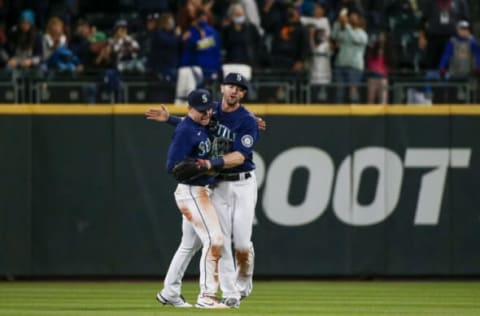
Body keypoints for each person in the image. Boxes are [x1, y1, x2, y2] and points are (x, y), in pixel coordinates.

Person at [146, 72, 261, 308]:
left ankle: (172, 291)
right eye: (231, 85)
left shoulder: (247, 119)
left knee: (239, 244)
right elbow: (191, 123)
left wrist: (209, 164)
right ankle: (227, 293)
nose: (234, 90)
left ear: (244, 93)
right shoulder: (212, 109)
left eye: (239, 88)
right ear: (222, 87)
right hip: (213, 185)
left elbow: (239, 156)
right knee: (218, 240)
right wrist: (170, 119)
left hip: (241, 182)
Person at [157, 88, 228, 309]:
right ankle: (207, 296)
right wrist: (195, 168)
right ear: (190, 109)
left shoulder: (196, 124)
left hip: (198, 191)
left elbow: (189, 124)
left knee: (188, 246)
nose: (206, 114)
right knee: (215, 240)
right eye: (201, 111)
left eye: (208, 110)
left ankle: (170, 292)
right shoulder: (186, 130)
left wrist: (170, 118)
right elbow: (172, 166)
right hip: (192, 192)